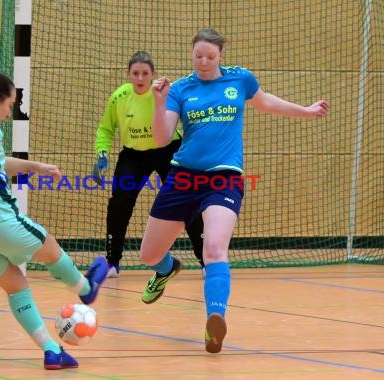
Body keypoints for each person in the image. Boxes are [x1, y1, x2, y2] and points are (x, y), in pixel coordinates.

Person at [138, 28, 329, 353]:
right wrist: (157, 103)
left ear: (220, 56)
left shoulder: (240, 80)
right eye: (198, 55)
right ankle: (167, 268)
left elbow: (266, 102)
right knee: (149, 255)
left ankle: (215, 319)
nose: (203, 61)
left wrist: (306, 110)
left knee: (214, 249)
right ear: (192, 54)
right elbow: (160, 138)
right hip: (183, 178)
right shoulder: (181, 89)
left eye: (210, 57)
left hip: (224, 178)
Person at [0, 66, 109, 370]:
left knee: (16, 286)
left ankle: (51, 351)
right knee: (50, 247)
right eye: (9, 104)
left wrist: (35, 166)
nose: (10, 111)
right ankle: (86, 290)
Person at [92, 50, 205, 278]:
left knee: (188, 202)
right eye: (136, 73)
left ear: (153, 75)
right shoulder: (119, 97)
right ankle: (113, 262)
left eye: (145, 73)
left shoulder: (163, 94)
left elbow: (185, 119)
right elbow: (105, 128)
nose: (141, 78)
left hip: (169, 151)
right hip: (133, 155)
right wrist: (101, 153)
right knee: (119, 203)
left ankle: (205, 260)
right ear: (128, 74)